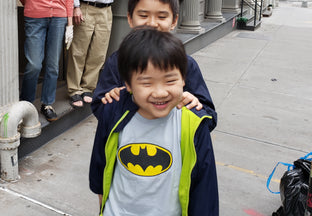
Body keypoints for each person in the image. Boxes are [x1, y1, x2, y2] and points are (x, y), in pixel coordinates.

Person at [89, 27, 219, 215]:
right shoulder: (113, 110)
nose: (160, 93)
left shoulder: (193, 124)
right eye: (147, 83)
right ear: (127, 83)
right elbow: (100, 161)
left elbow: (205, 188)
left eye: (169, 81)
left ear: (184, 79)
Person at [91, 0, 217, 130]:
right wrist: (115, 100)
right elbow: (99, 107)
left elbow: (209, 118)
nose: (151, 23)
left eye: (161, 17)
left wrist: (195, 106)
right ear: (130, 19)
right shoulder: (117, 61)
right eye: (143, 15)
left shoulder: (185, 63)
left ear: (174, 21)